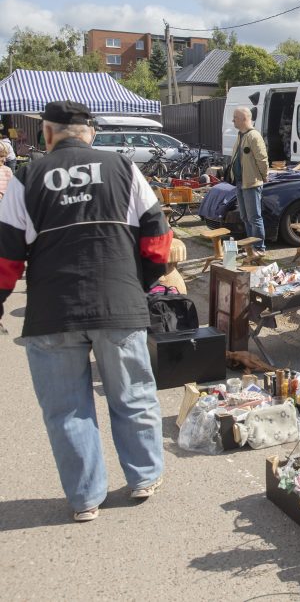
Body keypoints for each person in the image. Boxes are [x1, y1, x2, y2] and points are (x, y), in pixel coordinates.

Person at [0, 100, 172, 523]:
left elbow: (6, 256)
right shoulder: (123, 169)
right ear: (90, 132)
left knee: (66, 410)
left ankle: (85, 500)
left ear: (46, 133)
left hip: (52, 312)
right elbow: (158, 238)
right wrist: (140, 283)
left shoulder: (26, 177)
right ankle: (144, 478)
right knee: (132, 396)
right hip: (119, 305)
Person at [231, 106, 269, 253]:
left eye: (235, 117)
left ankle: (259, 247)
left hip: (252, 182)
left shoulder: (254, 136)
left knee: (254, 217)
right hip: (240, 182)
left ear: (244, 119)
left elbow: (262, 159)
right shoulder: (240, 135)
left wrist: (264, 176)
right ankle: (251, 246)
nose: (233, 120)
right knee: (245, 217)